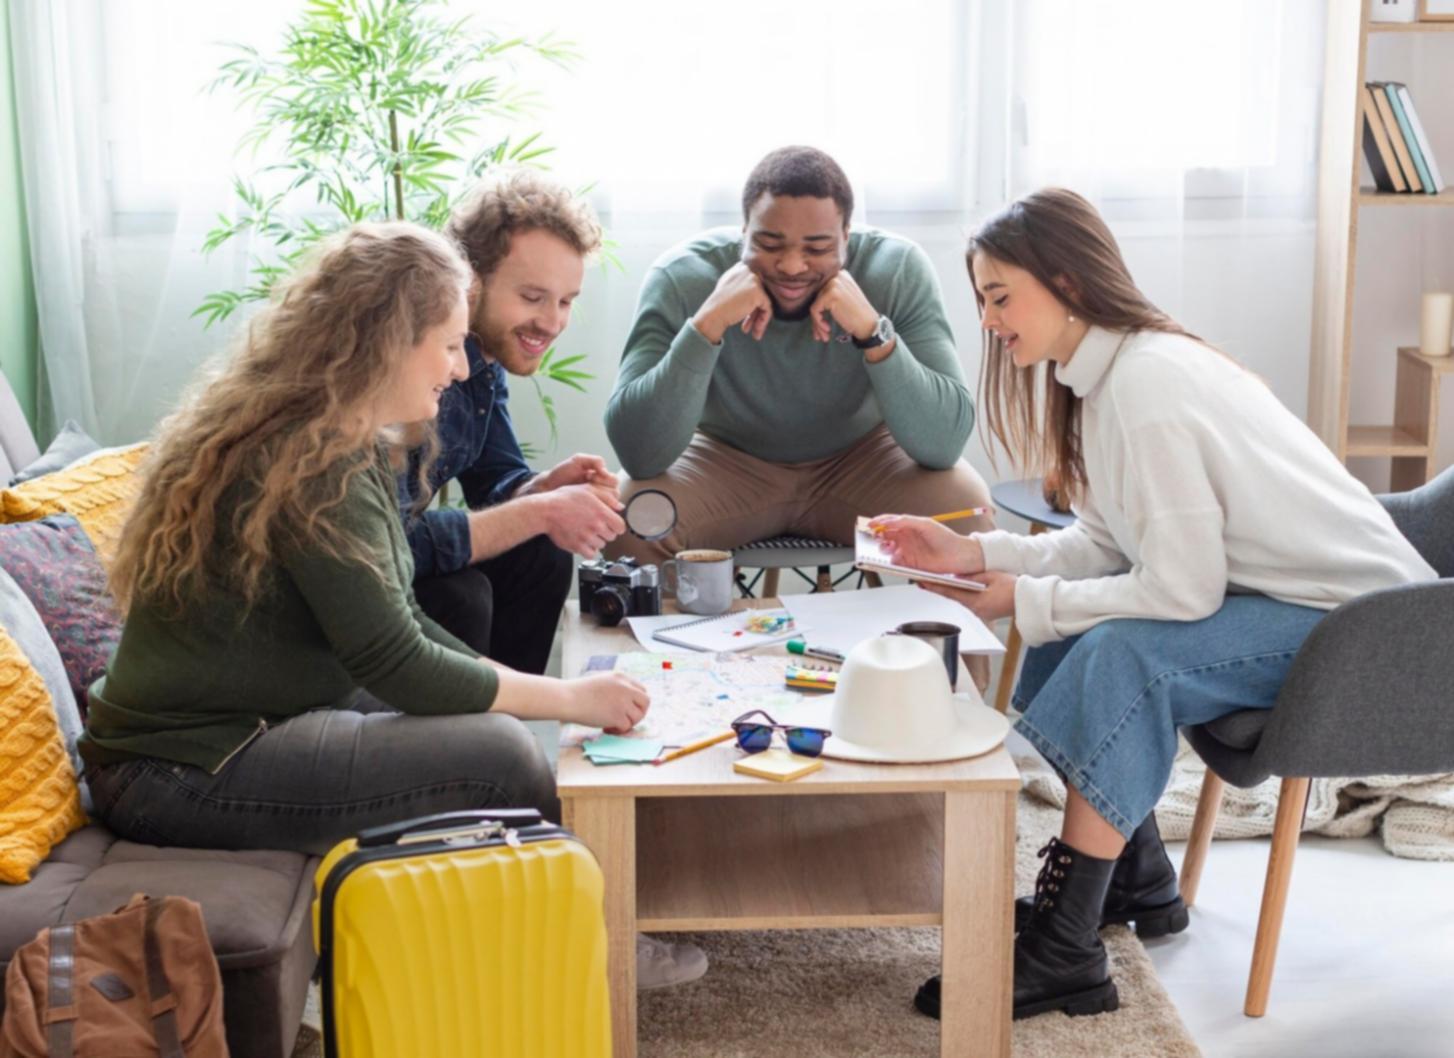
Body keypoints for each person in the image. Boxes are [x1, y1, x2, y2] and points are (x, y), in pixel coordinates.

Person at [79, 222, 705, 989]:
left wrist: (538, 692)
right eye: (448, 344)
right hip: (177, 769)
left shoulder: (340, 438)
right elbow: (398, 662)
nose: (461, 365)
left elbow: (400, 617)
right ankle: (591, 950)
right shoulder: (314, 465)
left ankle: (526, 928)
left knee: (492, 723)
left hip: (240, 725)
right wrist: (569, 698)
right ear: (385, 341)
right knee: (503, 755)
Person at [871, 188, 1437, 1021]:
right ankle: (1134, 876)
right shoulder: (1111, 376)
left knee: (1120, 649)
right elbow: (1104, 544)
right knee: (1071, 629)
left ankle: (1066, 953)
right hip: (1306, 606)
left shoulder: (1147, 386)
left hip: (1375, 632)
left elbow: (1181, 589)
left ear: (1065, 282)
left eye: (998, 297)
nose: (986, 321)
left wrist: (1024, 597)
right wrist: (976, 553)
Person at [603, 145, 994, 566]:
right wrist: (707, 325)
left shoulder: (896, 269)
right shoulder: (682, 276)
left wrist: (872, 332)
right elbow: (638, 453)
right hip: (727, 462)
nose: (791, 266)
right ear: (744, 231)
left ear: (846, 236)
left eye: (817, 247)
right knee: (633, 519)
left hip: (861, 462)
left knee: (966, 515)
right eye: (769, 243)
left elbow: (944, 444)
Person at [402, 169, 626, 675]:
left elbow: (495, 484)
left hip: (394, 555)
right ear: (469, 282)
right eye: (532, 297)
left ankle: (512, 716)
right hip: (350, 580)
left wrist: (544, 489)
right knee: (462, 596)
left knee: (541, 551)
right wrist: (542, 510)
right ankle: (481, 719)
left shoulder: (482, 361)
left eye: (565, 302)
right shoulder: (410, 364)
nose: (552, 323)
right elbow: (381, 543)